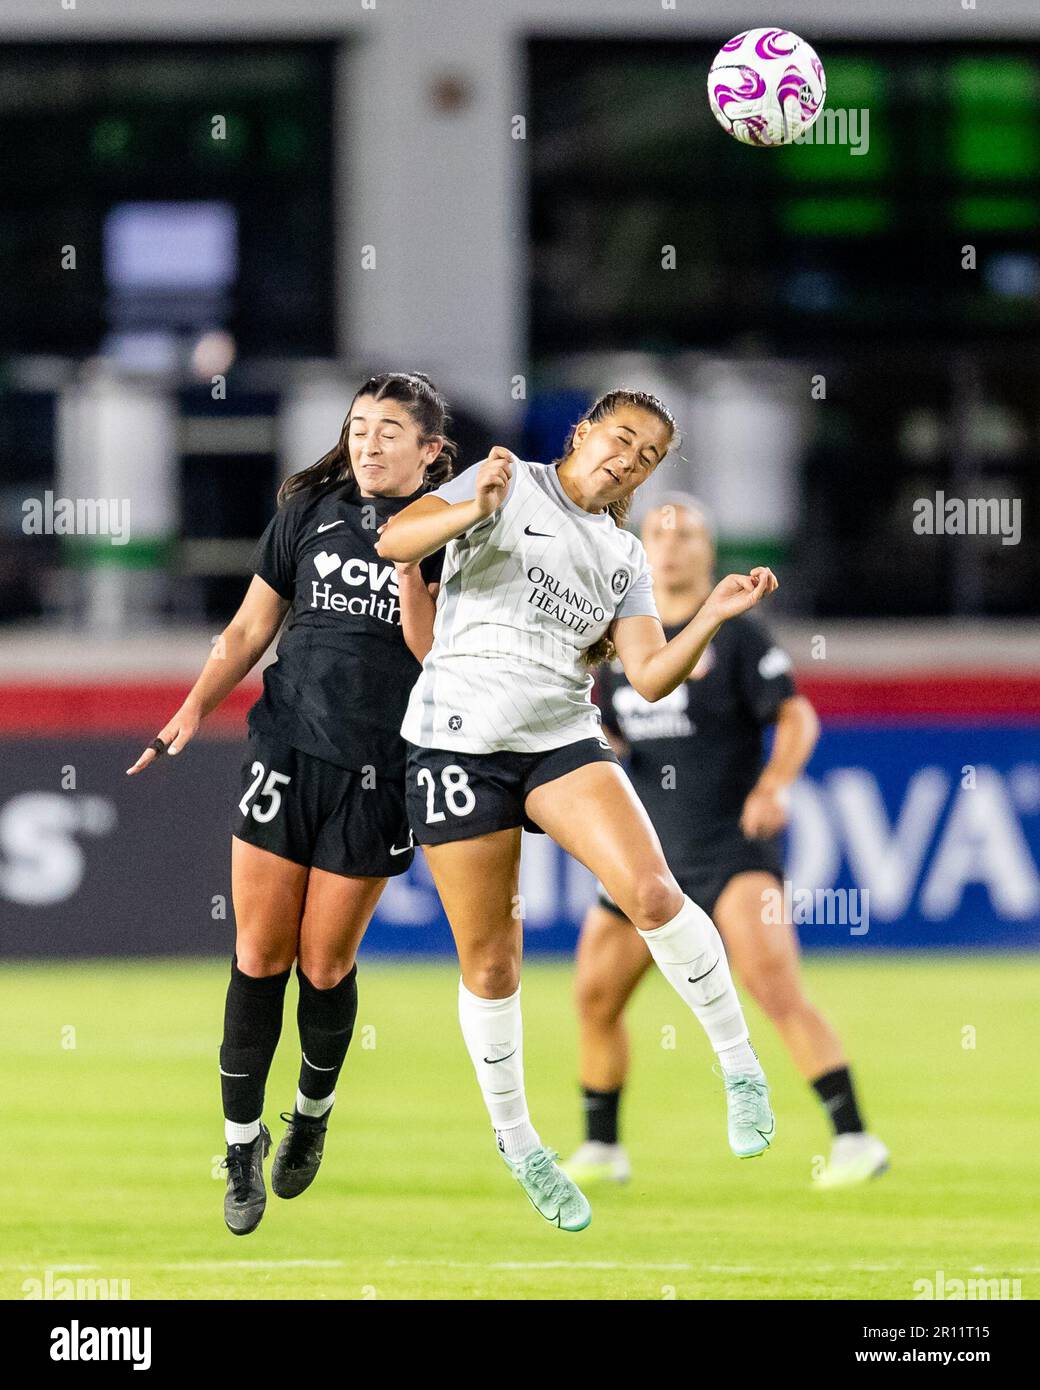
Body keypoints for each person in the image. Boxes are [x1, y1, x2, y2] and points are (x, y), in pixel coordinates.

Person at [377, 389, 779, 1233]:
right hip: (458, 741)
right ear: (583, 431)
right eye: (622, 438)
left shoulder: (622, 553)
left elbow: (649, 673)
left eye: (647, 456)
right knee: (492, 965)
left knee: (656, 892)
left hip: (559, 733)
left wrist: (710, 613)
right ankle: (520, 1141)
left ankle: (740, 1067)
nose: (628, 460)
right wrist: (468, 512)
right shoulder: (505, 479)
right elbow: (393, 540)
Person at [127, 371, 452, 1234]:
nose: (369, 441)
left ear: (430, 450)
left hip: (381, 772)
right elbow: (246, 629)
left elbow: (429, 647)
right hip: (285, 749)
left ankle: (311, 1112)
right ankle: (240, 1148)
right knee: (259, 953)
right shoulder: (310, 513)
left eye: (389, 429)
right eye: (358, 426)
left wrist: (414, 553)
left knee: (325, 965)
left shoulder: (455, 531)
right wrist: (191, 709)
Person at [563, 496, 889, 1191]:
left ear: (709, 551)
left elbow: (796, 717)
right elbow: (610, 734)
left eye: (687, 536)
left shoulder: (738, 636)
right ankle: (602, 1147)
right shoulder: (621, 642)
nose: (672, 547)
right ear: (642, 548)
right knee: (594, 997)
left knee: (774, 986)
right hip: (645, 858)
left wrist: (774, 784)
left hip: (730, 852)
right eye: (659, 533)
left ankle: (855, 1137)